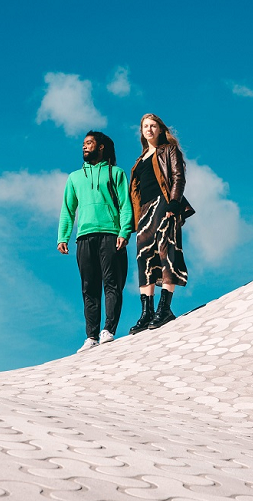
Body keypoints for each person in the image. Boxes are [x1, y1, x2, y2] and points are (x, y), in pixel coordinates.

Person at [58, 131, 133, 353]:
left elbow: (125, 205)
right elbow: (68, 209)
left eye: (89, 143)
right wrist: (63, 236)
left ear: (101, 147)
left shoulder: (116, 173)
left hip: (111, 234)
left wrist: (124, 231)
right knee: (89, 287)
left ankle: (108, 330)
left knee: (112, 283)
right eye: (83, 144)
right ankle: (91, 335)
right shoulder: (74, 178)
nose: (84, 147)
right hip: (84, 237)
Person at [127, 114, 194, 334]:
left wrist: (174, 203)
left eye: (153, 125)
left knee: (167, 250)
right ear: (142, 131)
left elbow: (178, 176)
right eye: (145, 126)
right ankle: (146, 312)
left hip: (165, 203)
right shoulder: (140, 160)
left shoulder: (168, 150)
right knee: (144, 257)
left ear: (159, 129)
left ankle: (165, 308)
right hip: (145, 211)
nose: (149, 129)